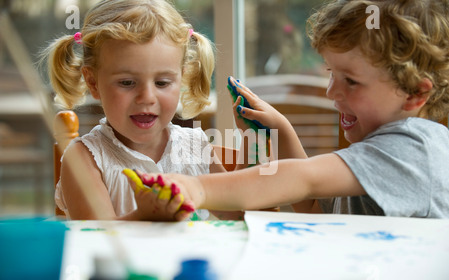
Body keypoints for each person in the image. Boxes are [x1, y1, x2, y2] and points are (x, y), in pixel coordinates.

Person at [140, 0, 449, 219]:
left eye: (351, 81)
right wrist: (283, 133)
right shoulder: (381, 147)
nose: (332, 92)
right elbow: (313, 207)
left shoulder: (415, 149)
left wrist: (197, 188)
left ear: (414, 93)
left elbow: (304, 179)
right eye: (331, 73)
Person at [43, 0, 248, 221]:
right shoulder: (85, 159)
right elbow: (98, 238)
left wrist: (251, 139)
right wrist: (145, 216)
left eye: (162, 83)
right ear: (93, 82)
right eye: (127, 83)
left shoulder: (194, 146)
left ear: (182, 78)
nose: (147, 97)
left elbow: (237, 216)